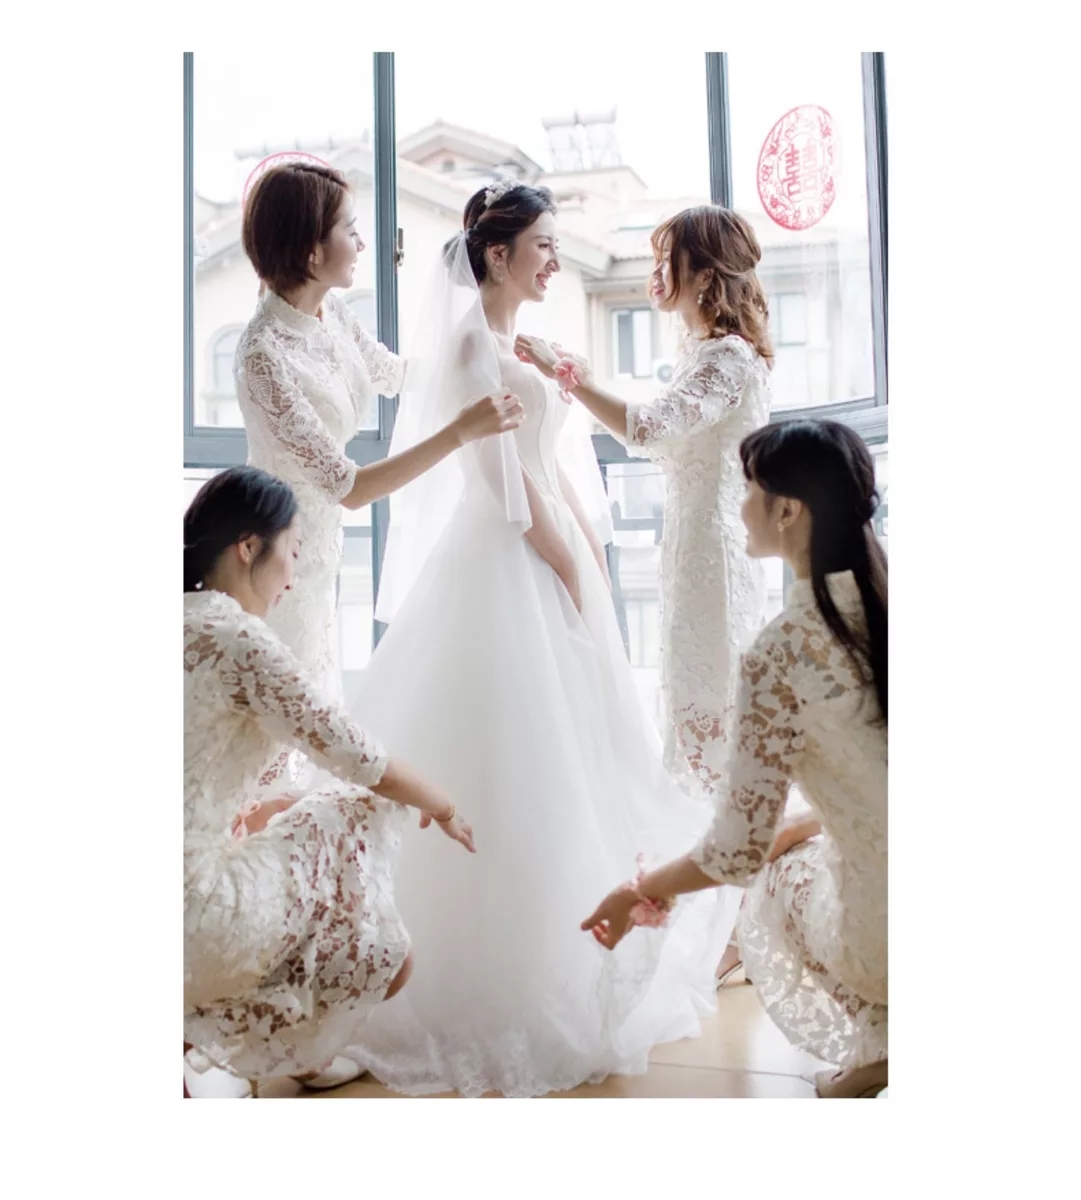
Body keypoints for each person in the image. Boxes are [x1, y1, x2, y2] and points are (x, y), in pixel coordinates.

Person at [337, 181, 735, 1098]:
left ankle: (578, 939)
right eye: (544, 245)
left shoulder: (519, 343)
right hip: (505, 559)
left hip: (552, 546)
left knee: (566, 754)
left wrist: (588, 560)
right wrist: (567, 569)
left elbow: (550, 466)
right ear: (497, 254)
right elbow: (506, 489)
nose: (555, 259)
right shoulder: (471, 344)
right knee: (509, 754)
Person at [581, 419, 888, 1099]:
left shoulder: (782, 652)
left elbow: (734, 854)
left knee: (775, 877)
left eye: (747, 489)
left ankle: (886, 1040)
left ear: (787, 510)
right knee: (806, 839)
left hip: (890, 932)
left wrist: (640, 891)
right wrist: (807, 824)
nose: (740, 505)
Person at [183, 466, 475, 1097]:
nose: (294, 576)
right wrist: (445, 804)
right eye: (292, 552)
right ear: (248, 547)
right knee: (356, 810)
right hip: (191, 917)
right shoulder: (237, 638)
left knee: (294, 813)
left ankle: (249, 1035)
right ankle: (278, 1030)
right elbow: (359, 756)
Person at [235, 159, 523, 715]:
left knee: (316, 699)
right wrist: (460, 431)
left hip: (320, 548)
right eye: (350, 230)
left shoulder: (333, 313)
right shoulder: (262, 354)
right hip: (271, 553)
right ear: (311, 251)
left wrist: (487, 348)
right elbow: (349, 488)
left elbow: (397, 375)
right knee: (285, 710)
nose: (362, 244)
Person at [514, 205, 772, 799]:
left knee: (710, 688)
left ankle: (723, 817)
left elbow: (651, 426)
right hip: (692, 541)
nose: (655, 274)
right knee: (691, 684)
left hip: (716, 549)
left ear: (705, 275)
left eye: (666, 260)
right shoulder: (703, 351)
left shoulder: (728, 356)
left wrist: (566, 375)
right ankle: (707, 813)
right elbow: (672, 435)